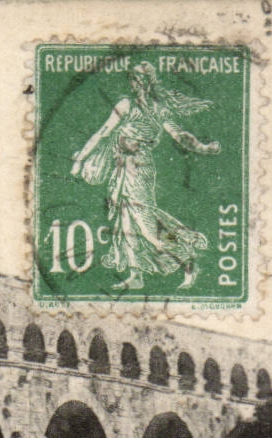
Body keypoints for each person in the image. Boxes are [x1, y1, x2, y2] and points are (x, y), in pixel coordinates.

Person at [70, 61, 221, 291]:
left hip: (139, 169)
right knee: (126, 222)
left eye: (137, 80)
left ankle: (184, 253)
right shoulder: (127, 105)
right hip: (123, 168)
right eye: (132, 79)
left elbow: (180, 137)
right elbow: (103, 133)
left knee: (147, 228)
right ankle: (136, 274)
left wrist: (204, 148)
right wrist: (81, 159)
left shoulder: (157, 110)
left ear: (145, 83)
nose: (133, 84)